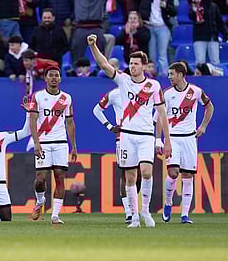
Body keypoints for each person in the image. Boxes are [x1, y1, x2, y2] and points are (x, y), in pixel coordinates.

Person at [87, 33, 172, 228]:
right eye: (131, 63)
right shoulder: (123, 81)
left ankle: (146, 211)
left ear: (144, 65)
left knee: (147, 172)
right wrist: (93, 46)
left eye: (136, 64)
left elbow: (162, 114)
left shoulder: (154, 86)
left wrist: (166, 140)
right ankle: (134, 216)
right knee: (130, 177)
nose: (132, 66)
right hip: (126, 136)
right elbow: (105, 66)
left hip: (145, 136)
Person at [156, 62, 214, 224]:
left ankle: (184, 215)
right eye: (168, 74)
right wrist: (158, 140)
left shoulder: (195, 91)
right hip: (172, 138)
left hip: (189, 138)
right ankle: (168, 202)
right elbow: (160, 118)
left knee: (188, 175)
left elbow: (209, 107)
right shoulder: (166, 94)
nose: (169, 77)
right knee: (173, 173)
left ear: (181, 75)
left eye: (172, 74)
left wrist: (203, 126)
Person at [29, 65, 77, 224]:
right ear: (45, 78)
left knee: (60, 178)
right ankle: (40, 201)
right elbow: (33, 120)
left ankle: (55, 216)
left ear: (60, 79)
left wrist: (74, 146)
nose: (54, 78)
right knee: (40, 178)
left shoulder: (67, 98)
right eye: (51, 75)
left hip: (60, 143)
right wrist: (36, 142)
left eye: (57, 75)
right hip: (43, 142)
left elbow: (70, 122)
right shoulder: (37, 96)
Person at [92, 88, 143, 224]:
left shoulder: (143, 91)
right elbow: (97, 110)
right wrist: (109, 126)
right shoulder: (114, 93)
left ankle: (136, 209)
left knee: (141, 175)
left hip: (142, 138)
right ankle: (129, 212)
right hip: (123, 137)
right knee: (125, 174)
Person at [189, 0, 228, 67]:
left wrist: (225, 34)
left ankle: (217, 80)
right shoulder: (195, 5)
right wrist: (194, 9)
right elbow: (191, 17)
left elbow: (219, 23)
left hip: (213, 38)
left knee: (216, 62)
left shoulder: (214, 6)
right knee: (200, 62)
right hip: (199, 37)